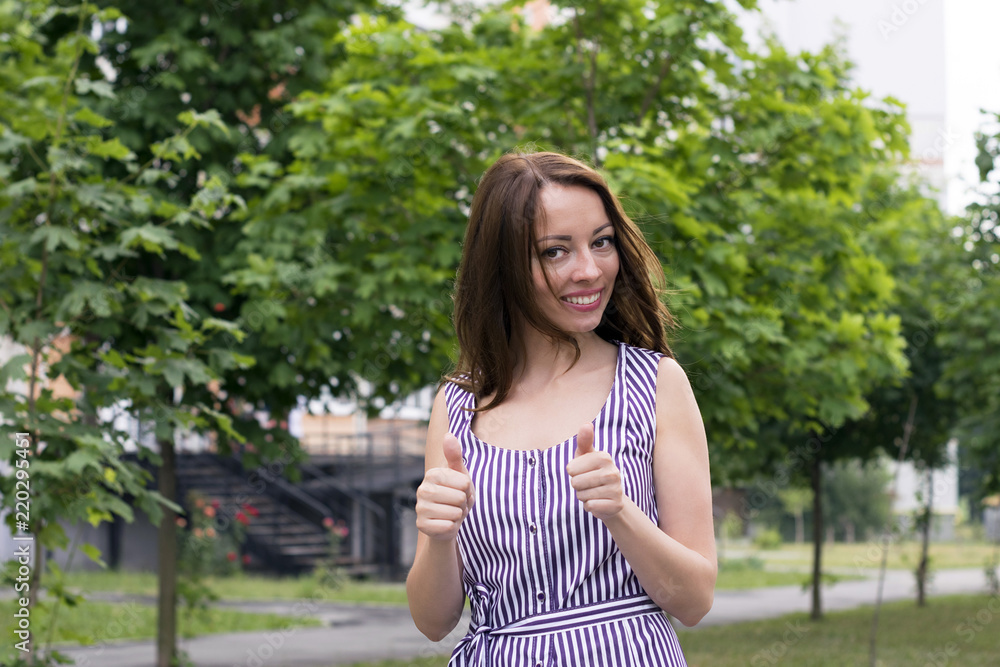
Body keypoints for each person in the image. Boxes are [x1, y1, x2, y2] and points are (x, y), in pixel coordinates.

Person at [406, 151, 716, 666]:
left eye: (601, 242)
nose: (590, 270)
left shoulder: (656, 384)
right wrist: (439, 537)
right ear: (502, 266)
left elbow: (695, 600)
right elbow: (433, 622)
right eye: (555, 251)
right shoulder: (457, 405)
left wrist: (619, 512)